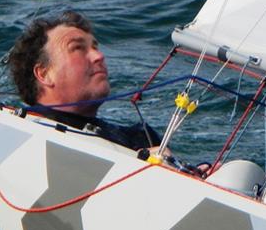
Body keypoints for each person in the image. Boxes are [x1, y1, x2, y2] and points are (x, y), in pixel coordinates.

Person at [8, 10, 160, 150]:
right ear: (44, 74)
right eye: (78, 48)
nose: (99, 56)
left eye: (95, 47)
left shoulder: (143, 140)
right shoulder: (11, 132)